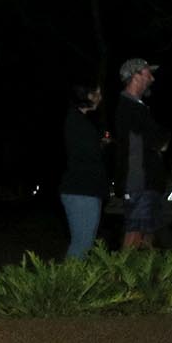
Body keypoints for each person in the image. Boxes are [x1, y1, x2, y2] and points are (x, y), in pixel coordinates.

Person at [113, 58, 168, 250]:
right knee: (134, 235)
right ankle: (119, 279)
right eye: (147, 73)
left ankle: (144, 279)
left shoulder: (139, 107)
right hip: (139, 183)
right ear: (135, 76)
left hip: (149, 183)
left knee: (147, 236)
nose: (151, 78)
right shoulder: (128, 107)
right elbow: (156, 141)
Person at [59, 83, 108, 259]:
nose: (100, 98)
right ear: (86, 95)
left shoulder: (80, 120)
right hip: (81, 190)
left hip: (86, 190)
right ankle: (68, 285)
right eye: (97, 93)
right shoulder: (75, 120)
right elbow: (86, 153)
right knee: (82, 244)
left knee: (85, 243)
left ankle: (75, 284)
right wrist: (100, 146)